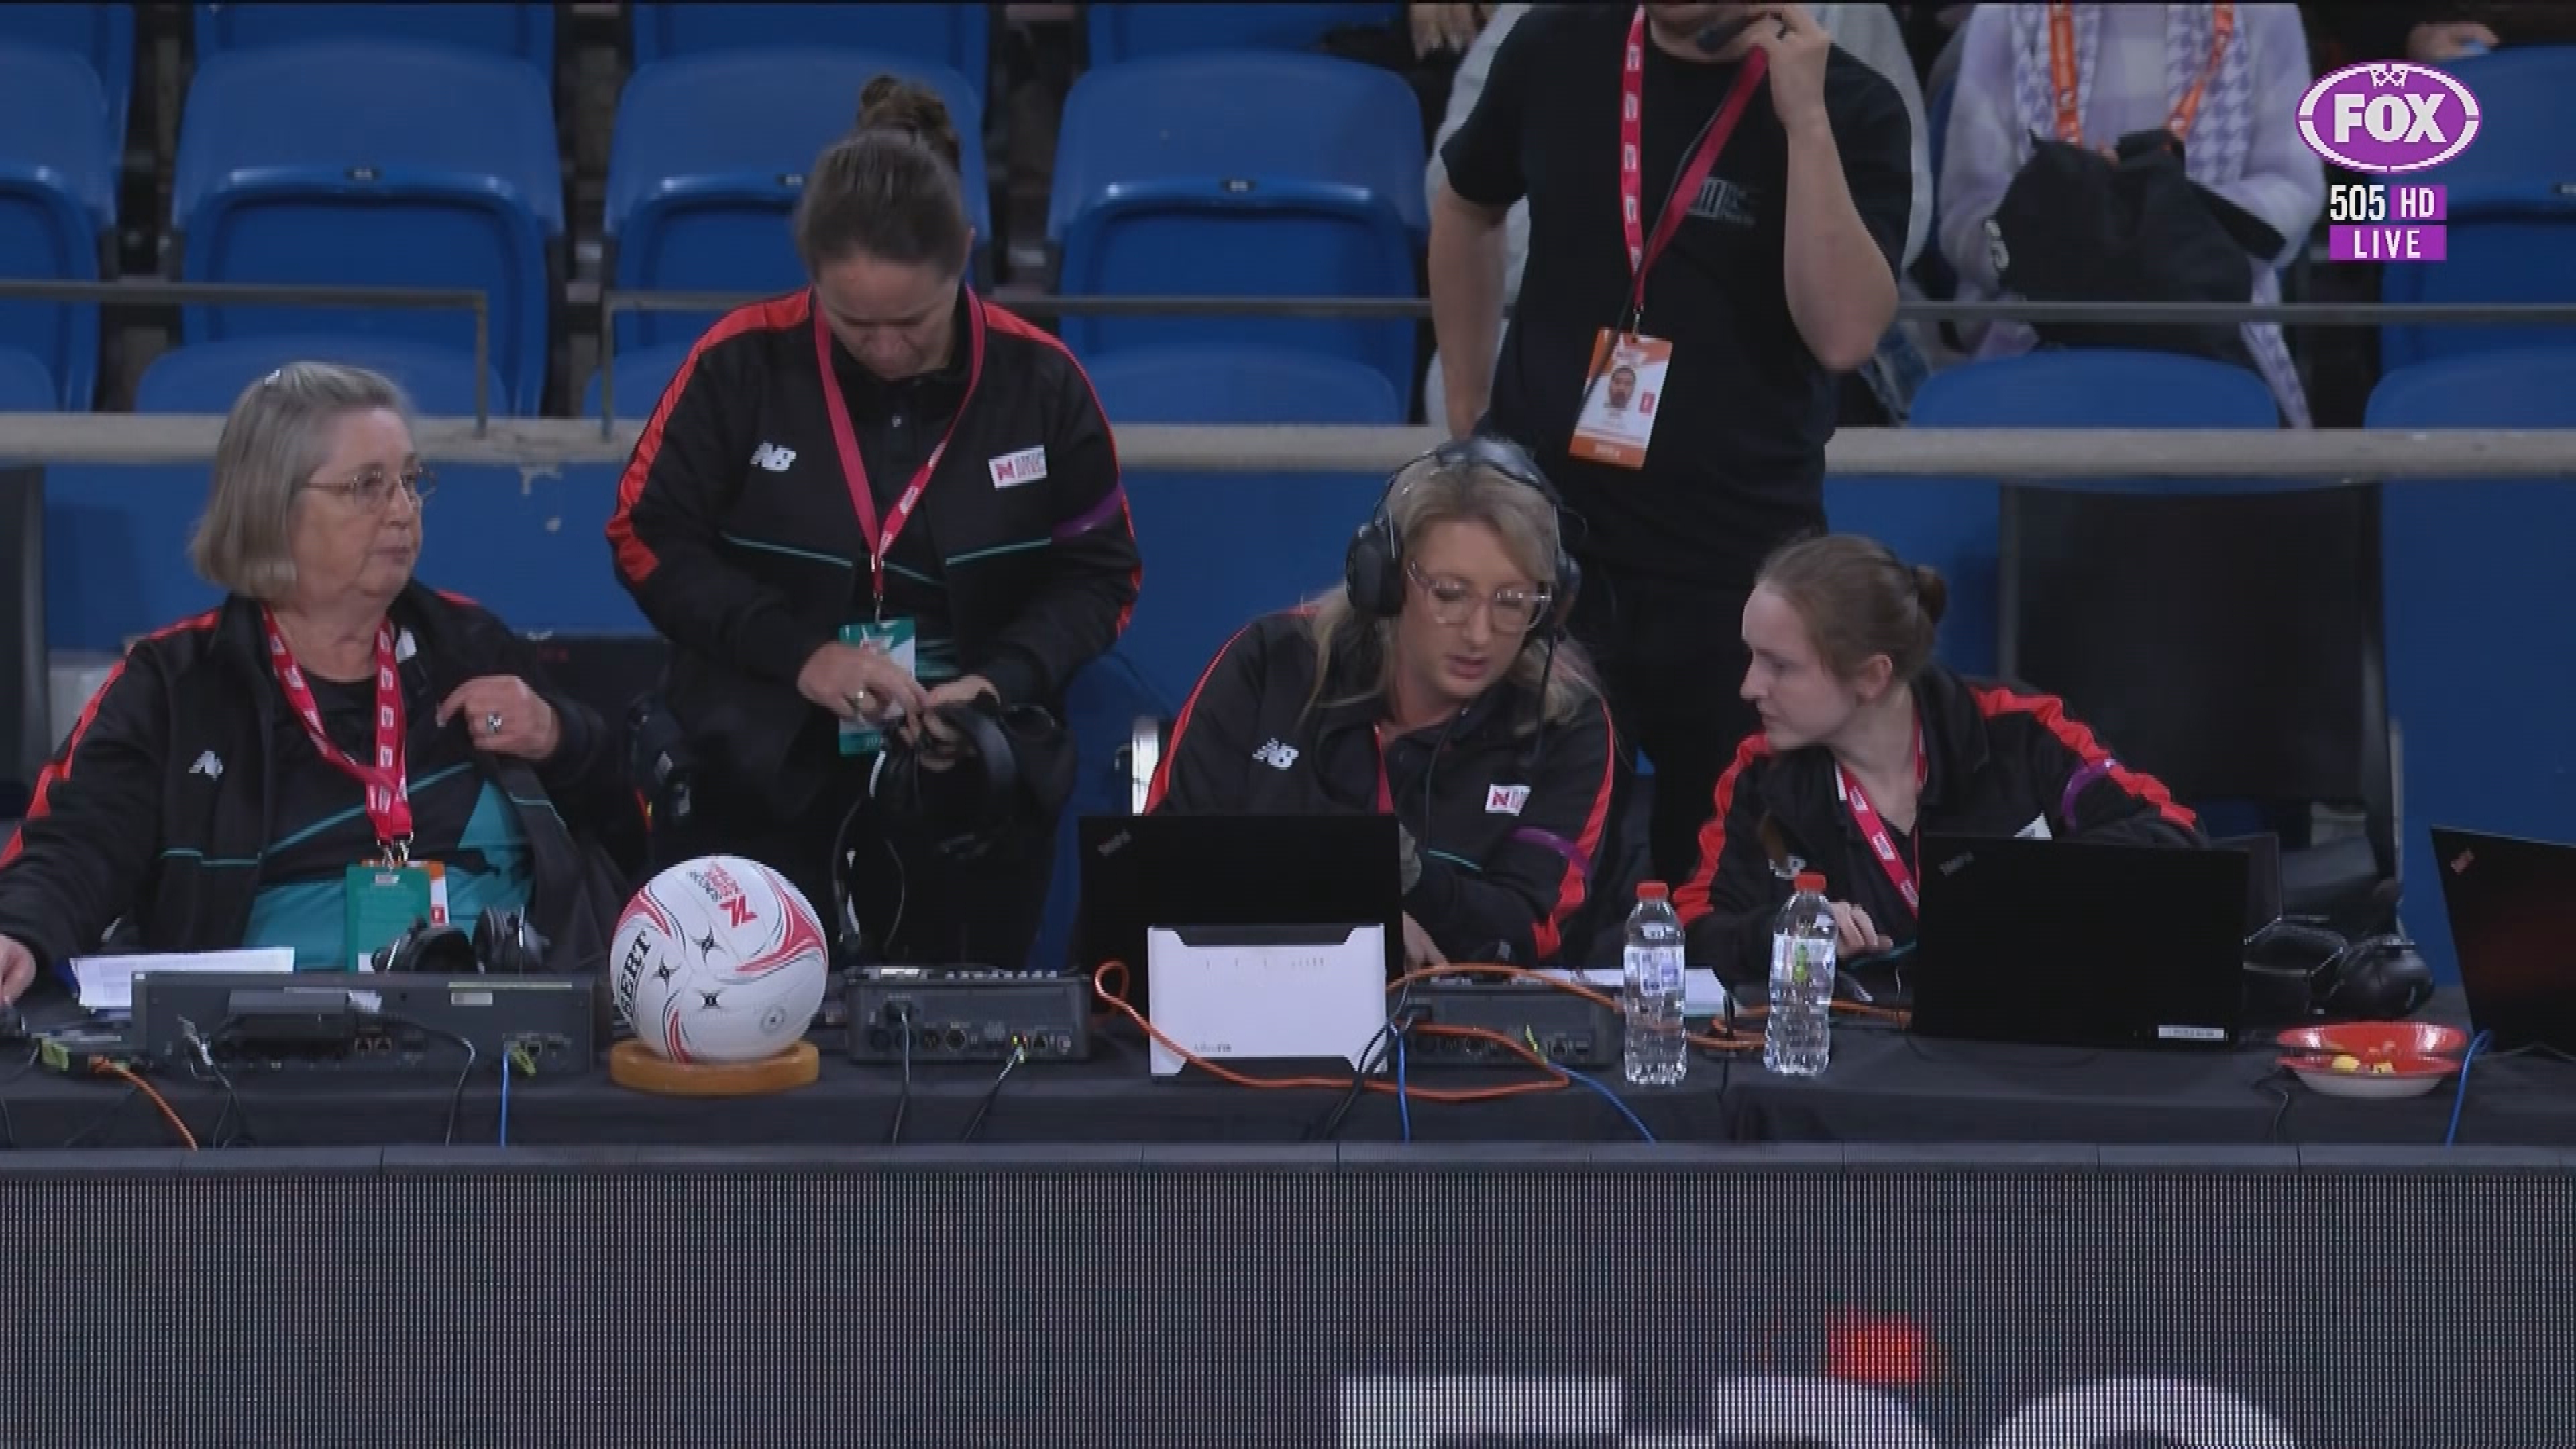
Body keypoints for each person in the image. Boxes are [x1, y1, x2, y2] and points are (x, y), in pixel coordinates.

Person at [604, 78, 1140, 970]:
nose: (886, 348)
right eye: (855, 324)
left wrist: (995, 684)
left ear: (965, 254)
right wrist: (800, 655)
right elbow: (646, 537)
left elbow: (1101, 575)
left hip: (970, 781)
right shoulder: (738, 365)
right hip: (755, 777)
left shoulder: (1043, 383)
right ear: (811, 274)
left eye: (913, 323)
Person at [1429, 1, 1915, 893]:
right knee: (1529, 887)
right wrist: (1467, 403)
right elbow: (1465, 204)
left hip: (1738, 578)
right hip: (1552, 560)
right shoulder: (1554, 45)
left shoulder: (1853, 105)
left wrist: (1802, 120)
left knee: (1727, 900)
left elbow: (1844, 333)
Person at [0, 364, 632, 1000]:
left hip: (508, 1031)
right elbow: (77, 842)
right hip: (261, 1056)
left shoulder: (470, 647)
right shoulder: (175, 685)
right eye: (367, 486)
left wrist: (558, 735)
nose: (403, 509)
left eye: (411, 482)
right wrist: (20, 932)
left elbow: (625, 818)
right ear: (272, 507)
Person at [1146, 439, 1619, 969]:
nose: (1480, 634)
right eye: (1449, 594)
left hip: (1463, 1035)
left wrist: (1412, 880)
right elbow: (1166, 874)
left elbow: (1526, 929)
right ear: (1387, 582)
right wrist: (1353, 922)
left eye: (1512, 602)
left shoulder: (1566, 723)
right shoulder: (1269, 666)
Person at [1674, 534, 2202, 987]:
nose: (1749, 687)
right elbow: (1691, 933)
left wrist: (2016, 885)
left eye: (1779, 666)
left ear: (1872, 676)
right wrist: (1783, 932)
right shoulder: (1760, 776)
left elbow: (2173, 836)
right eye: (1751, 657)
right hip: (1855, 1068)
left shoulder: (2021, 731)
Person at [1937, 3, 2325, 423]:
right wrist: (2072, 227)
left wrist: (2158, 227)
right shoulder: (2006, 17)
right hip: (2036, 339)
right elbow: (1968, 216)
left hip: (2213, 332)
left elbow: (2292, 187)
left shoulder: (2263, 14)